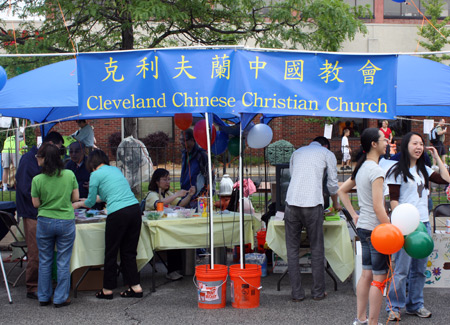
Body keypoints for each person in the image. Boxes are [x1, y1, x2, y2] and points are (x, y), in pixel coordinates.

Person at [385, 132, 450, 321]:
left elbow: (447, 179)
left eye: (421, 144)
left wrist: (437, 156)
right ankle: (394, 306)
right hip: (405, 226)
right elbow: (393, 200)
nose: (419, 147)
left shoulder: (425, 170)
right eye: (415, 143)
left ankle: (415, 305)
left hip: (424, 224)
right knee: (401, 270)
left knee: (420, 270)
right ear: (406, 146)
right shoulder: (396, 170)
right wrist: (400, 224)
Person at [73, 149, 143, 299]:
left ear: (90, 163)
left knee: (111, 252)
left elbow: (91, 201)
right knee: (129, 251)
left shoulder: (95, 175)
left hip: (118, 214)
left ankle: (107, 290)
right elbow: (105, 195)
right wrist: (87, 201)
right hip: (135, 210)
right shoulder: (115, 170)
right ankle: (135, 287)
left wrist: (78, 204)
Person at [338, 128, 390, 325]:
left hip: (364, 229)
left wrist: (354, 214)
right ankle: (373, 322)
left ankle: (360, 319)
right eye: (384, 140)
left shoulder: (362, 168)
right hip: (377, 231)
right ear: (374, 144)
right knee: (378, 279)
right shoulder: (376, 170)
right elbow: (379, 208)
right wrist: (393, 230)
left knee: (366, 274)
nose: (387, 142)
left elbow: (341, 191)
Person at [284, 136, 341, 302]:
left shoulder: (297, 152)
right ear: (325, 145)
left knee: (292, 250)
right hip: (313, 203)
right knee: (316, 248)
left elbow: (294, 176)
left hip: (291, 203)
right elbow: (332, 183)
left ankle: (297, 294)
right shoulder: (326, 153)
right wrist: (336, 203)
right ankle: (318, 292)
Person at [15, 131, 64, 300]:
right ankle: (33, 286)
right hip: (32, 213)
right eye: (57, 148)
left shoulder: (42, 162)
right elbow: (24, 188)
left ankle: (45, 284)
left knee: (47, 252)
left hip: (45, 212)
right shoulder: (29, 160)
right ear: (49, 144)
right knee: (36, 252)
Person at [31, 143, 79, 308]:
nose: (37, 158)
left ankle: (44, 297)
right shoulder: (69, 174)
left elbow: (36, 204)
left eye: (39, 156)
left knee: (45, 260)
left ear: (45, 159)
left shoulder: (37, 179)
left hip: (45, 220)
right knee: (63, 261)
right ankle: (60, 298)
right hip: (66, 220)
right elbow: (75, 198)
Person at [146, 168, 195, 280]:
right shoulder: (151, 195)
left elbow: (181, 203)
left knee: (175, 236)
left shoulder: (167, 193)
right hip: (153, 230)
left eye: (169, 179)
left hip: (164, 228)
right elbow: (159, 204)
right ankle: (173, 270)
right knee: (172, 238)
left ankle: (178, 269)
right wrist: (177, 194)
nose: (168, 182)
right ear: (156, 182)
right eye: (164, 179)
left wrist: (189, 195)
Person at [180, 128, 213, 207]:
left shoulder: (201, 155)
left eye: (185, 140)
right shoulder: (184, 154)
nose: (182, 143)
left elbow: (210, 176)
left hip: (198, 196)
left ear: (192, 140)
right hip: (186, 193)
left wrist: (203, 193)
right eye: (181, 140)